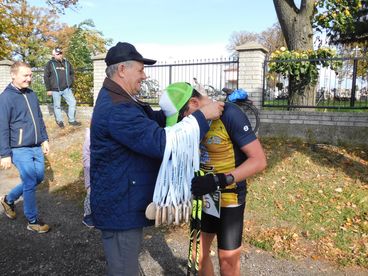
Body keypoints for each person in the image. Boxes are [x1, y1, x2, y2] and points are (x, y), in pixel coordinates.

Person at [90, 41, 224, 276]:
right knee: (123, 269)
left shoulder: (123, 99)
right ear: (122, 70)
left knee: (126, 265)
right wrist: (202, 116)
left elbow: (152, 120)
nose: (144, 75)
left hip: (124, 201)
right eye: (140, 70)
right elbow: (161, 143)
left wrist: (181, 111)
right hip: (120, 207)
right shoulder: (117, 108)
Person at [159, 87, 267, 276]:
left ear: (194, 103)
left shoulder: (229, 114)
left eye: (184, 117)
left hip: (229, 196)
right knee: (197, 256)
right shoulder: (193, 123)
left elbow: (259, 161)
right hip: (204, 195)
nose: (184, 123)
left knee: (228, 263)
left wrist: (220, 180)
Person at [0, 61, 50, 234]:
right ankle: (33, 220)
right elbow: (2, 127)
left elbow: (39, 118)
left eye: (30, 75)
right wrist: (4, 153)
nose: (29, 79)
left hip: (36, 145)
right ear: (13, 75)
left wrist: (44, 139)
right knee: (29, 181)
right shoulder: (5, 97)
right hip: (19, 148)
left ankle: (8, 199)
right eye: (25, 75)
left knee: (38, 178)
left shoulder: (32, 94)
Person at [44, 47, 81, 128]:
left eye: (60, 53)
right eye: (57, 54)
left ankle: (72, 120)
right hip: (55, 89)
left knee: (72, 103)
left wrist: (70, 82)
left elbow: (72, 73)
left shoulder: (67, 63)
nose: (60, 55)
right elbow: (46, 77)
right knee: (57, 106)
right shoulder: (50, 64)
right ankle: (59, 121)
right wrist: (48, 89)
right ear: (53, 55)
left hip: (66, 89)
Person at [82, 127, 94, 228]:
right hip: (91, 173)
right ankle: (87, 215)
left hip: (101, 174)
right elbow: (86, 158)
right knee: (90, 195)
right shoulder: (90, 138)